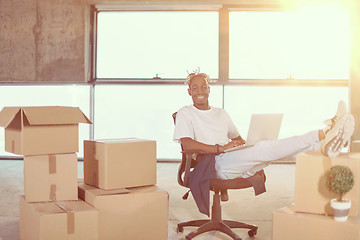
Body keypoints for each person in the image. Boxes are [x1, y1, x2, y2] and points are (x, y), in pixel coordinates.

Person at [173, 71, 355, 180]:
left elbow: (237, 138)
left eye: (203, 87)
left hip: (231, 159)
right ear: (189, 91)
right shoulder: (185, 113)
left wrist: (245, 143)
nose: (200, 91)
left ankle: (324, 144)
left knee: (275, 149)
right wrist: (220, 148)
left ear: (209, 89)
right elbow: (187, 145)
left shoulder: (221, 113)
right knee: (266, 149)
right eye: (195, 88)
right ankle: (323, 133)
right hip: (213, 164)